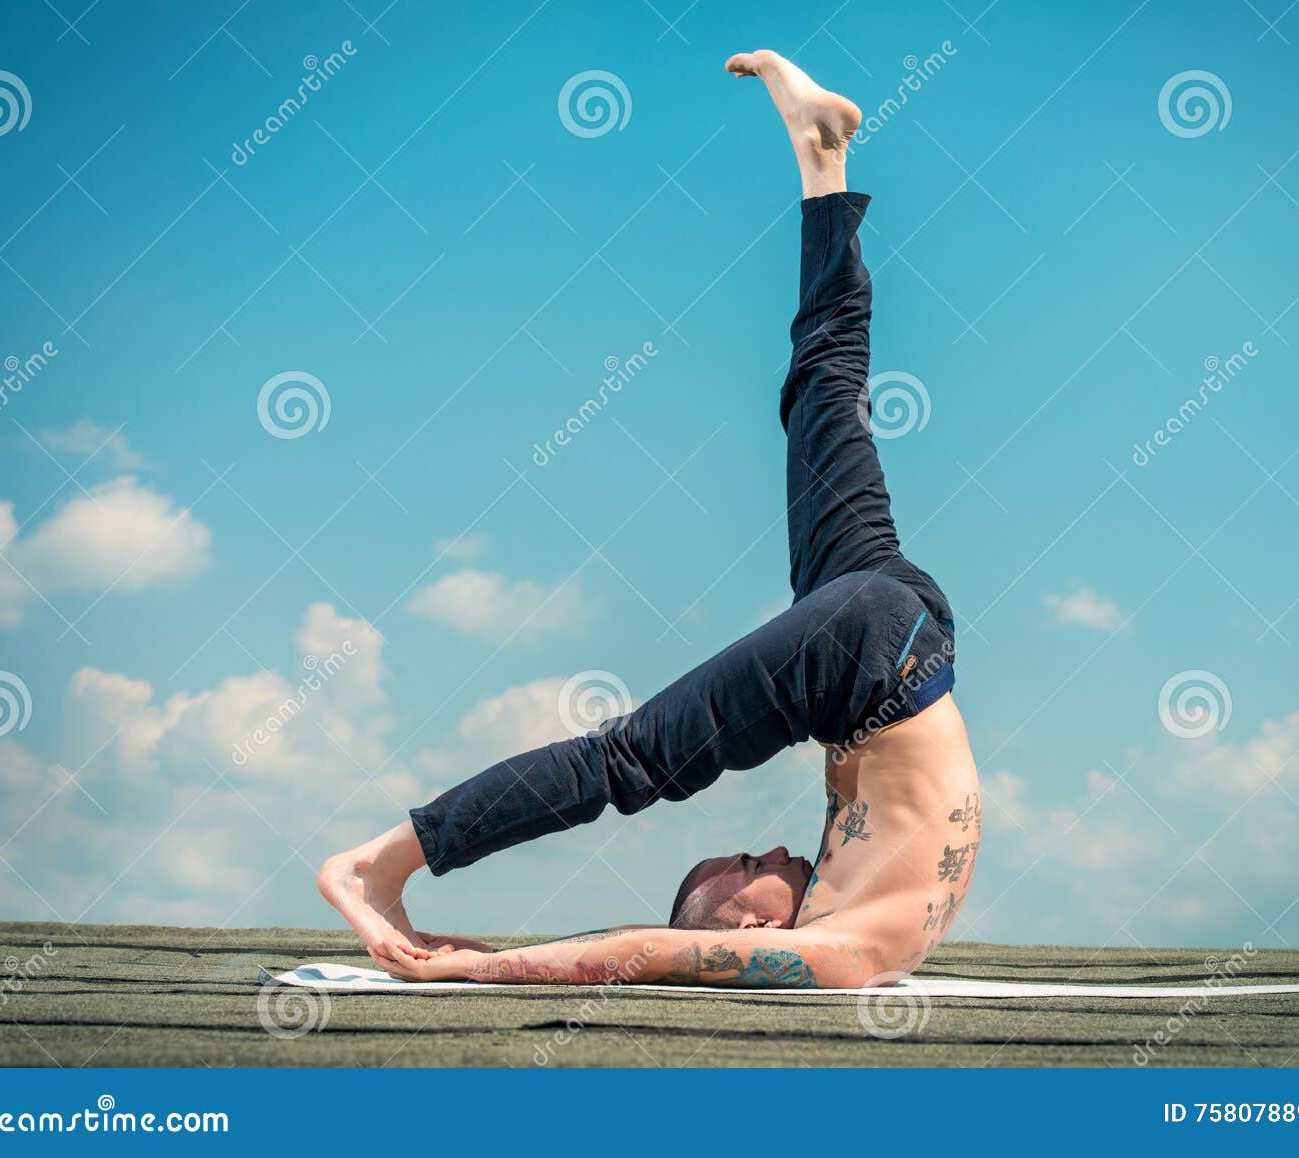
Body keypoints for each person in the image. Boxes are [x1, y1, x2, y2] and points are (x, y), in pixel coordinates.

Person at [318, 50, 980, 989]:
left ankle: (822, 162)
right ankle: (377, 866)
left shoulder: (842, 937)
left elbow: (650, 948)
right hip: (879, 650)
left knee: (824, 387)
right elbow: (656, 950)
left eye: (742, 863)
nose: (773, 850)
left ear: (745, 929)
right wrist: (487, 967)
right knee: (629, 757)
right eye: (751, 862)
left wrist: (478, 968)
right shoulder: (850, 946)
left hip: (891, 638)